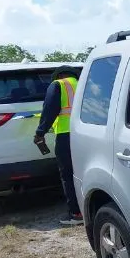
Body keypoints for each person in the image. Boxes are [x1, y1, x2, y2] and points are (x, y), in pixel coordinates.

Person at [34, 66, 83, 226]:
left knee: (68, 174)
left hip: (66, 135)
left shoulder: (58, 85)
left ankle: (76, 213)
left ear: (59, 76)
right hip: (88, 133)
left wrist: (40, 132)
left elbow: (49, 110)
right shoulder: (84, 83)